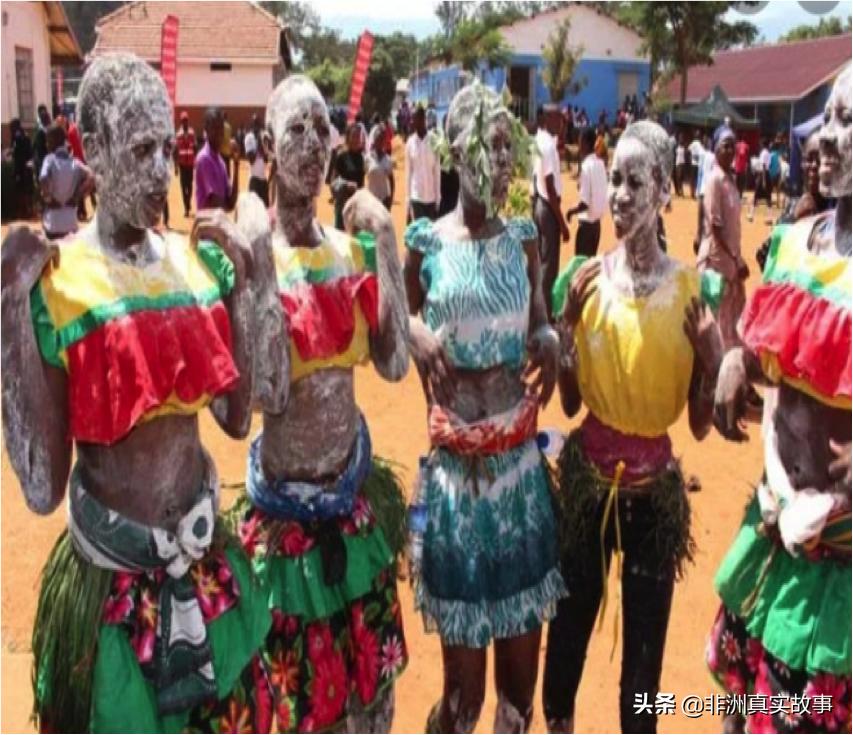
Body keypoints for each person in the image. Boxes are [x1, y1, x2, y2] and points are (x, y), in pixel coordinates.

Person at [1, 52, 280, 733]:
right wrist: (9, 309)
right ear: (90, 148)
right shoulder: (61, 285)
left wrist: (240, 289)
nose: (163, 170)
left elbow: (237, 417)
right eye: (140, 149)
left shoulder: (191, 264)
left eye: (167, 146)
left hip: (207, 573)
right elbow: (42, 488)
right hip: (111, 598)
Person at [233, 74, 410, 732]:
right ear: (269, 149)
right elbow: (270, 391)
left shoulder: (347, 252)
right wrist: (256, 261)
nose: (311, 144)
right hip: (287, 531)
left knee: (373, 706)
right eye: (294, 132)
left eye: (320, 129)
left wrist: (387, 241)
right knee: (307, 714)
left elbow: (393, 364)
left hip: (353, 514)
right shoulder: (258, 261)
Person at [544, 120, 723, 733]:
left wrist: (711, 356)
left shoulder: (690, 293)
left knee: (642, 671)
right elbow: (568, 406)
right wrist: (566, 331)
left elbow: (700, 426)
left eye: (633, 181)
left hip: (654, 502)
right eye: (613, 179)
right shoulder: (584, 283)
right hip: (587, 485)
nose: (618, 194)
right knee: (566, 635)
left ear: (664, 191)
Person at [404, 82, 565, 734]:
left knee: (515, 701)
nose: (500, 162)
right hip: (456, 489)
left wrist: (550, 340)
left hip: (517, 485)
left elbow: (539, 324)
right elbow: (402, 311)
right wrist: (414, 329)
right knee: (461, 699)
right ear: (453, 151)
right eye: (488, 146)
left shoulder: (524, 239)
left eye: (508, 147)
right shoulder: (427, 242)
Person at [708, 67, 851, 735]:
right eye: (827, 119)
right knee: (737, 713)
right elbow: (778, 363)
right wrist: (738, 358)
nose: (825, 138)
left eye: (845, 122)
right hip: (770, 536)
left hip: (837, 570)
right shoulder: (795, 244)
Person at [697, 126, 748, 352]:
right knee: (715, 320)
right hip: (718, 262)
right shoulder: (714, 180)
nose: (730, 150)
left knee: (731, 319)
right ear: (716, 149)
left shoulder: (730, 181)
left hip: (731, 261)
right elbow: (716, 227)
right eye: (725, 145)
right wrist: (737, 259)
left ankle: (726, 367)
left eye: (732, 145)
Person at [756, 131, 835, 271]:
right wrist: (792, 219)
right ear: (801, 164)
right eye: (809, 159)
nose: (814, 166)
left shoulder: (839, 213)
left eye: (821, 160)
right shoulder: (793, 207)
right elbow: (764, 258)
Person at [534, 105, 571, 319]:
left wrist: (563, 127)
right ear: (548, 118)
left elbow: (561, 143)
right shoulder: (547, 147)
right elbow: (550, 186)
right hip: (549, 209)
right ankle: (545, 318)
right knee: (549, 269)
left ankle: (540, 313)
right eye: (558, 119)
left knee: (541, 264)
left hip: (541, 205)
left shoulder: (543, 140)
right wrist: (563, 225)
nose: (561, 123)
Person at [38, 123, 93, 240]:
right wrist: (77, 196)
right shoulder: (75, 162)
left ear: (53, 141)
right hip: (71, 224)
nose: (46, 144)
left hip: (52, 223)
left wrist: (49, 198)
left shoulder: (49, 160)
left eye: (48, 141)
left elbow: (43, 178)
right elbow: (91, 176)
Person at [567, 126, 608, 258]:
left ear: (585, 143)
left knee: (580, 267)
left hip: (586, 227)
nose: (579, 145)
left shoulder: (586, 167)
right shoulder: (600, 164)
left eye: (580, 141)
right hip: (596, 226)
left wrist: (571, 212)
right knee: (589, 265)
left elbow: (584, 203)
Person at [195, 106, 240, 212]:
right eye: (214, 128)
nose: (219, 133)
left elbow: (231, 203)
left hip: (219, 224)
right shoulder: (204, 159)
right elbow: (216, 203)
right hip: (207, 226)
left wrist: (236, 165)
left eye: (221, 128)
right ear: (206, 129)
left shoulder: (220, 162)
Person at [405, 106, 441, 222]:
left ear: (423, 119)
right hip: (416, 197)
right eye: (412, 119)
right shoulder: (410, 143)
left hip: (431, 198)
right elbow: (408, 173)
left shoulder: (433, 140)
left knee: (430, 235)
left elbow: (437, 171)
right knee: (419, 234)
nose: (412, 122)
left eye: (414, 119)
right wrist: (408, 200)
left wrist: (437, 197)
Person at [332, 122, 366, 229]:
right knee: (341, 237)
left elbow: (361, 183)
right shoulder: (341, 156)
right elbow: (333, 181)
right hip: (343, 205)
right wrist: (346, 184)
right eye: (354, 136)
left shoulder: (361, 158)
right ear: (348, 137)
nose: (357, 139)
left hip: (356, 206)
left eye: (358, 136)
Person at [365, 122, 395, 210]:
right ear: (374, 141)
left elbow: (391, 181)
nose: (380, 142)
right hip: (370, 200)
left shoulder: (388, 160)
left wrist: (391, 198)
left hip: (384, 200)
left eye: (382, 139)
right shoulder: (367, 158)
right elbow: (362, 177)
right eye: (378, 139)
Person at [243, 114, 270, 207]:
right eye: (256, 124)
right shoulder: (249, 138)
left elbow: (266, 160)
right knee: (254, 210)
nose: (258, 127)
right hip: (254, 179)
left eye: (259, 124)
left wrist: (264, 146)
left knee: (266, 210)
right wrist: (258, 142)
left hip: (263, 179)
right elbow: (251, 160)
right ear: (253, 125)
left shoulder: (263, 139)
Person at [10, 119, 33, 220]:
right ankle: (28, 211)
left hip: (20, 167)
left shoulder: (17, 137)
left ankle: (23, 211)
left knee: (20, 190)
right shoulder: (26, 135)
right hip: (27, 166)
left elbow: (16, 152)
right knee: (27, 189)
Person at [175, 110, 197, 217]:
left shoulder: (192, 133)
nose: (185, 122)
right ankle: (186, 207)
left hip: (191, 164)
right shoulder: (178, 134)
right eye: (183, 120)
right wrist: (175, 166)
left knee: (190, 186)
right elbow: (175, 151)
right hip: (182, 165)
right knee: (183, 187)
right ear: (181, 122)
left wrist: (196, 160)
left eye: (186, 120)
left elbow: (195, 147)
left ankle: (188, 202)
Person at [749, 138, 774, 222]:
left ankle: (751, 215)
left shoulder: (763, 153)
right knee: (768, 196)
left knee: (756, 195)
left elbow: (763, 166)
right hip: (767, 174)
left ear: (763, 145)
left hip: (763, 175)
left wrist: (763, 180)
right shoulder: (769, 153)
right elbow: (768, 166)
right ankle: (769, 217)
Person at [688, 131, 705, 199]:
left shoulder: (692, 143)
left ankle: (692, 193)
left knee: (692, 179)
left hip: (693, 164)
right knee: (696, 180)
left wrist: (690, 158)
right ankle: (694, 193)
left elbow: (688, 151)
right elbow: (701, 154)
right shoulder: (699, 144)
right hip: (697, 164)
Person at [220, 111, 233, 176]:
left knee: (221, 169)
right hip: (228, 151)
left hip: (221, 151)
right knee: (227, 169)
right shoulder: (229, 127)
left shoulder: (221, 126)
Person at [674, 133, 687, 197]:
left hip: (682, 164)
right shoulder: (677, 147)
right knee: (678, 179)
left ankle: (681, 191)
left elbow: (686, 156)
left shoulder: (684, 147)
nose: (680, 140)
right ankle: (680, 191)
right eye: (680, 138)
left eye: (681, 138)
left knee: (681, 179)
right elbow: (675, 155)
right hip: (678, 164)